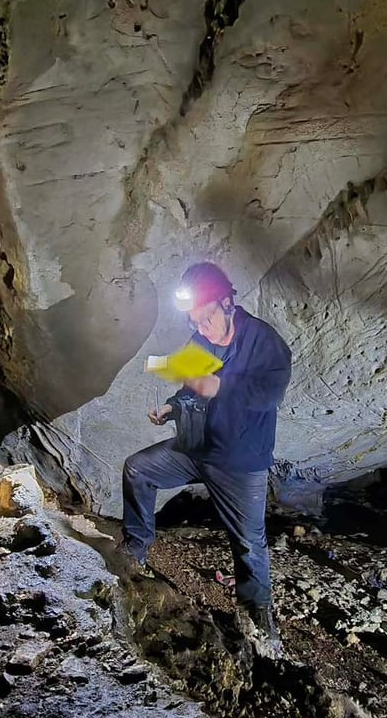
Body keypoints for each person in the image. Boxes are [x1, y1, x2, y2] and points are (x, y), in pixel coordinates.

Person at [121, 262, 292, 648]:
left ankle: (257, 619)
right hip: (195, 447)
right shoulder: (201, 341)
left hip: (239, 460)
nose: (201, 328)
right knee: (138, 469)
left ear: (228, 303)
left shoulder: (264, 342)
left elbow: (269, 395)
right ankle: (134, 551)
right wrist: (171, 405)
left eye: (207, 317)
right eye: (194, 321)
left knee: (249, 543)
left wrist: (220, 386)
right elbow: (190, 383)